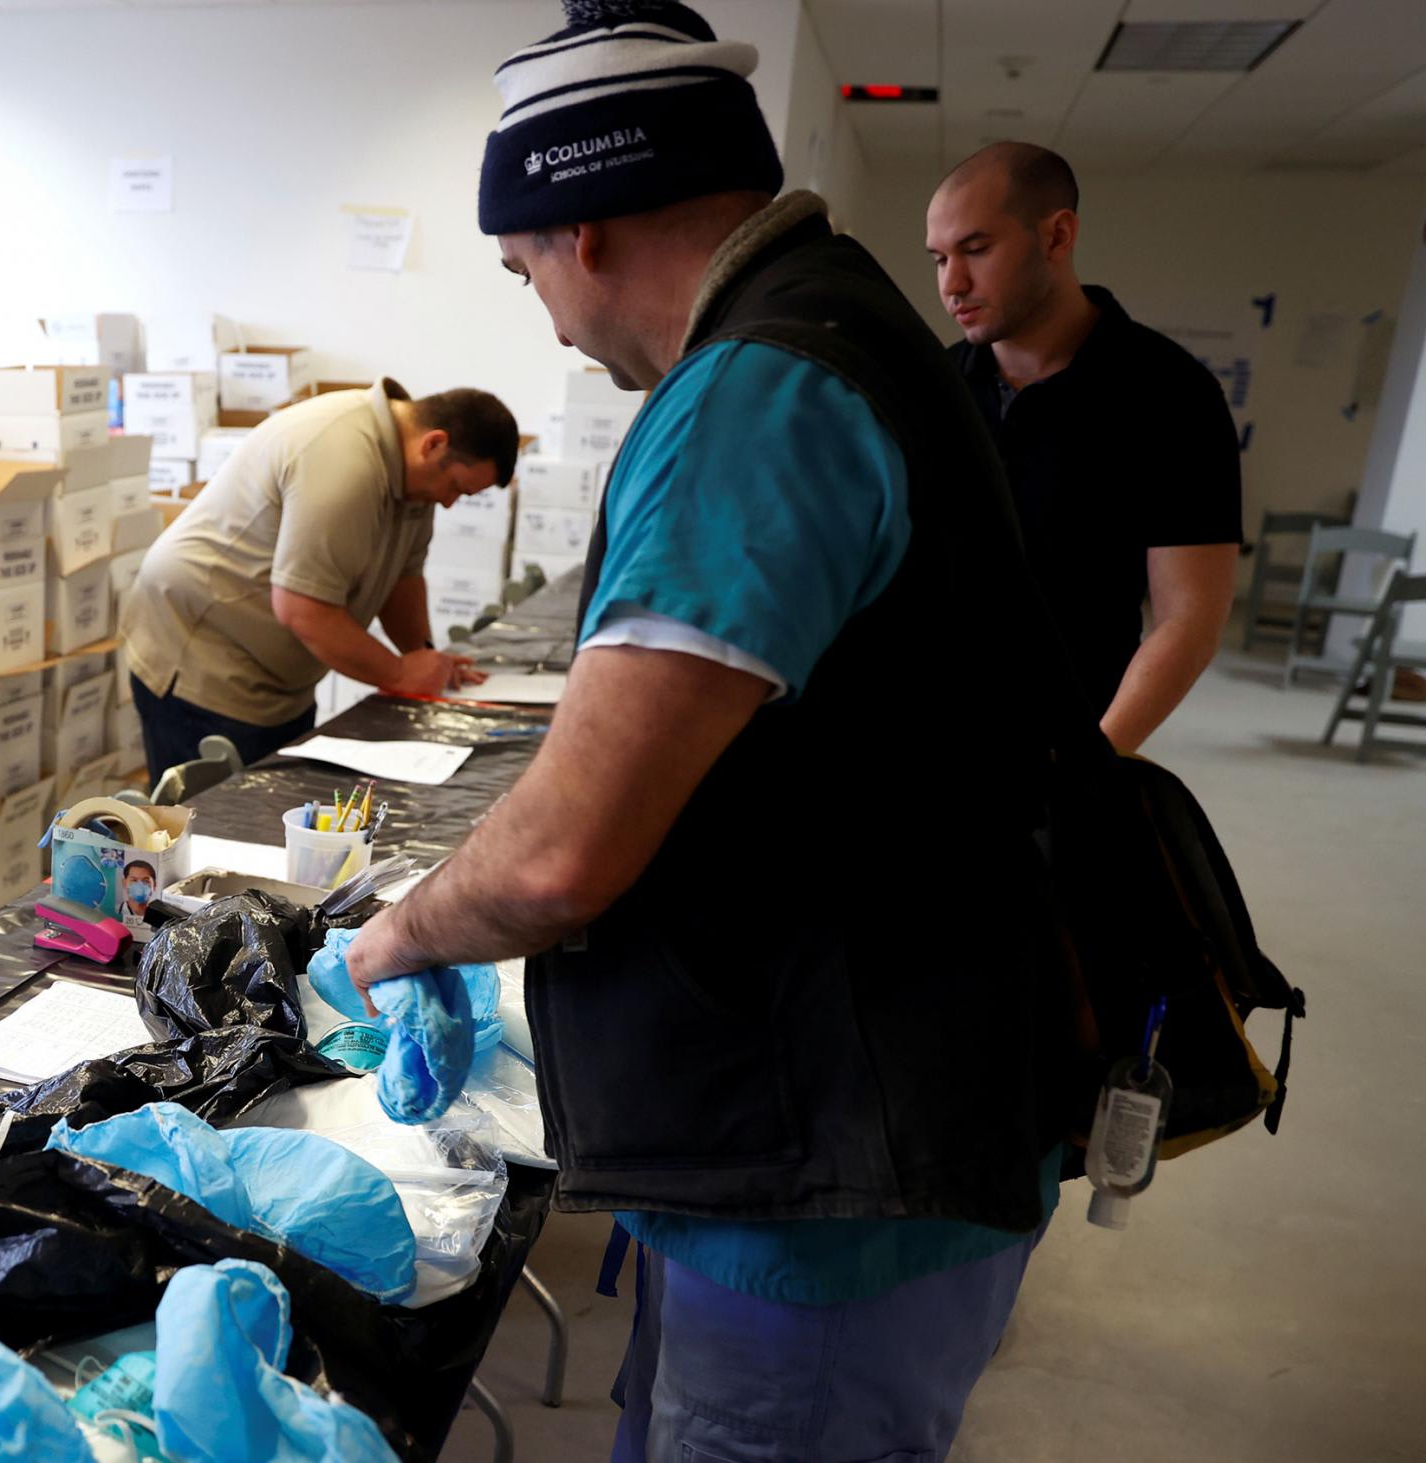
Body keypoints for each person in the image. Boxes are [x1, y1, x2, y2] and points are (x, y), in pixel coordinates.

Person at [339, 3, 1074, 1458]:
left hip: (843, 1153)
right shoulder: (846, 319)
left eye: (524, 265)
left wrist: (398, 931)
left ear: (589, 228)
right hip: (873, 1096)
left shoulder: (758, 390)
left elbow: (562, 853)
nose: (540, 310)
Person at [926, 141, 1241, 752]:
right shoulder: (929, 387)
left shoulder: (1171, 394)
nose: (953, 284)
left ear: (1058, 235)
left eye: (976, 249)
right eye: (939, 259)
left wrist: (1091, 767)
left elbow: (1189, 620)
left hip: (1065, 745)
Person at [119, 378, 518, 779]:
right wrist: (399, 674)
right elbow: (302, 610)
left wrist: (426, 660)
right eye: (455, 489)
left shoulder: (415, 475)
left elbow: (403, 578)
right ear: (434, 444)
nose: (449, 503)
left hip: (277, 673)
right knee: (215, 829)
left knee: (279, 810)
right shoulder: (343, 461)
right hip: (204, 656)